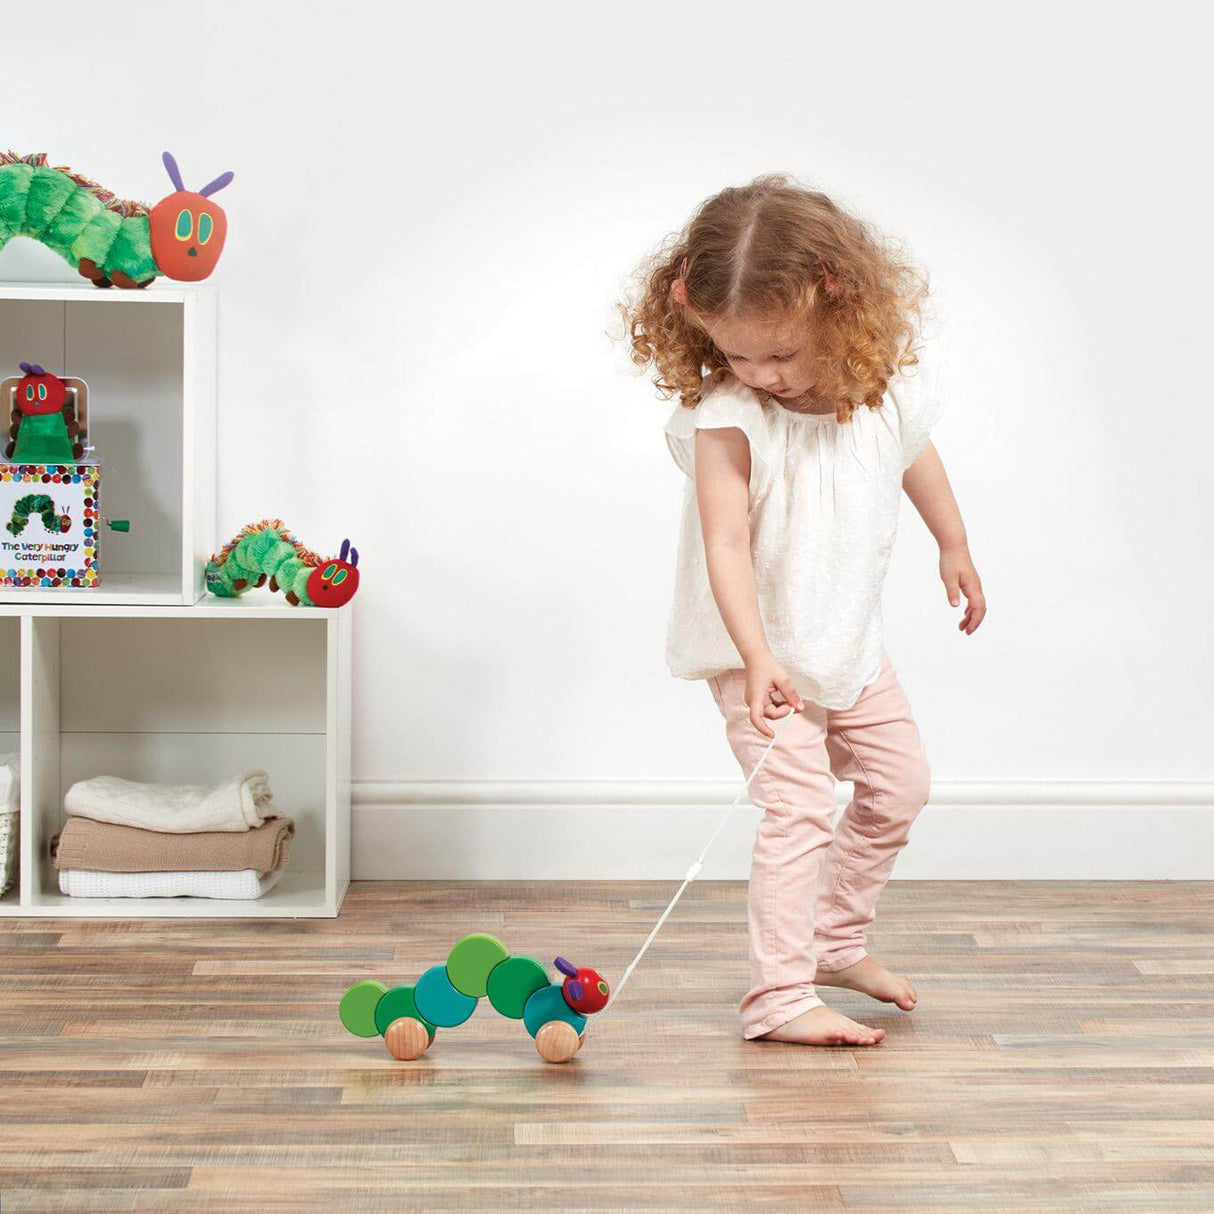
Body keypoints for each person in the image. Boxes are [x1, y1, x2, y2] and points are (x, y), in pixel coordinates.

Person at [618, 174, 986, 1046]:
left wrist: (954, 543)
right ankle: (777, 996)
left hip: (847, 644)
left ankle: (833, 940)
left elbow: (915, 457)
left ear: (837, 299)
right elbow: (727, 545)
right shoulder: (730, 417)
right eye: (738, 354)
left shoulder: (885, 391)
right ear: (690, 314)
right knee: (797, 809)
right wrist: (755, 657)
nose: (762, 375)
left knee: (901, 787)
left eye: (781, 354)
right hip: (759, 656)